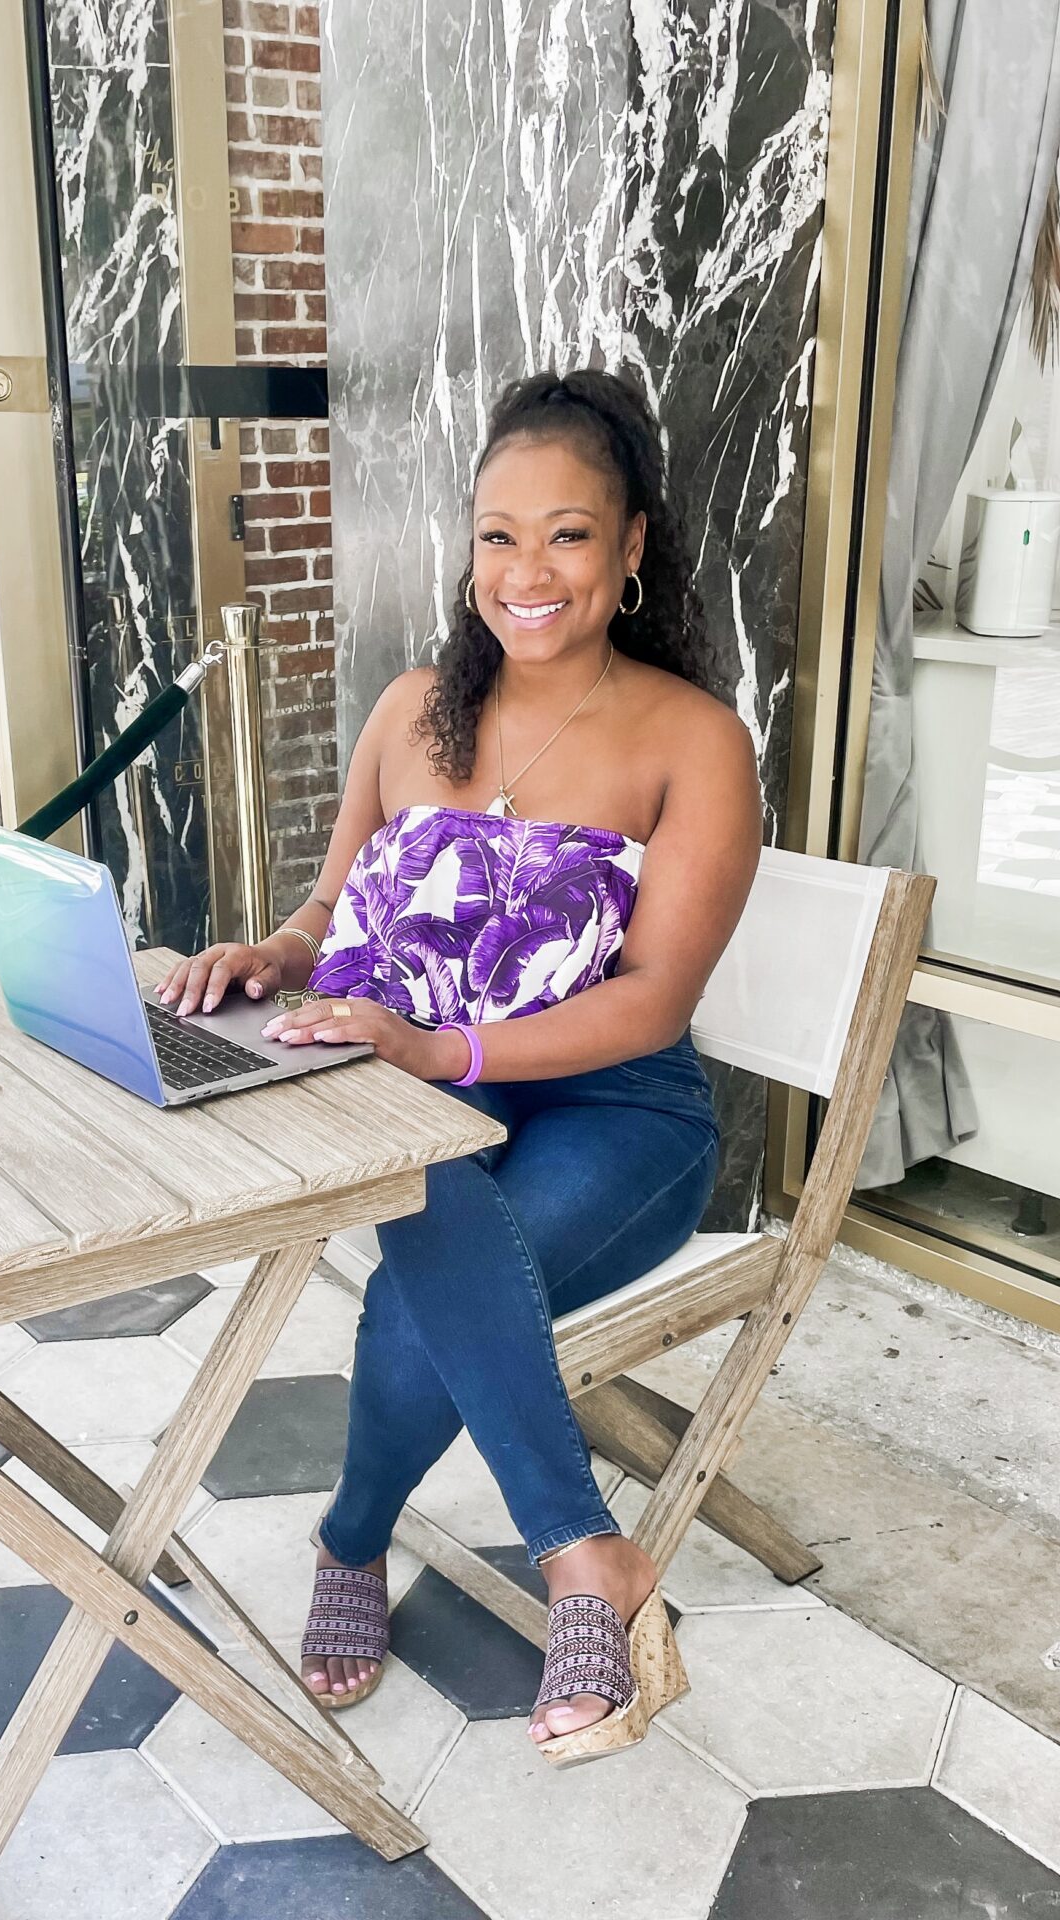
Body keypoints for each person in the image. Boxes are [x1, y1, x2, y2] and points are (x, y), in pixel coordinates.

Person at [159, 366, 762, 1766]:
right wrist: (270, 957)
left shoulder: (693, 739)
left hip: (618, 1113)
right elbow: (331, 912)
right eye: (499, 535)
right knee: (432, 1185)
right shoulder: (414, 709)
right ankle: (587, 1557)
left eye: (566, 534)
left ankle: (362, 1537)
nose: (526, 572)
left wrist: (439, 1048)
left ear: (632, 547)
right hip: (437, 1099)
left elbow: (655, 1004)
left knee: (420, 1264)